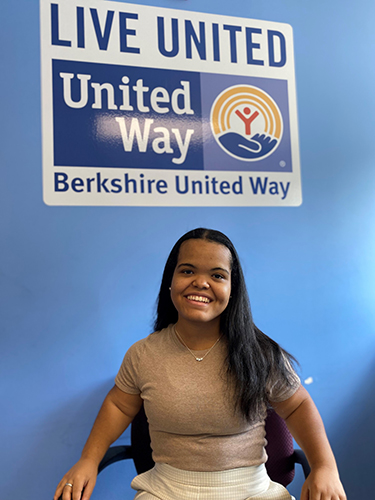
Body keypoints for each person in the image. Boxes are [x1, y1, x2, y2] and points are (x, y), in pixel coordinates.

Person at [54, 228, 346, 500]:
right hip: (164, 492)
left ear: (233, 289)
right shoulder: (143, 354)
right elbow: (119, 405)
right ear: (171, 280)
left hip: (252, 492)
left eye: (217, 275)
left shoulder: (260, 353)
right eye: (187, 270)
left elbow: (297, 406)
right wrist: (88, 460)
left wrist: (324, 466)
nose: (201, 282)